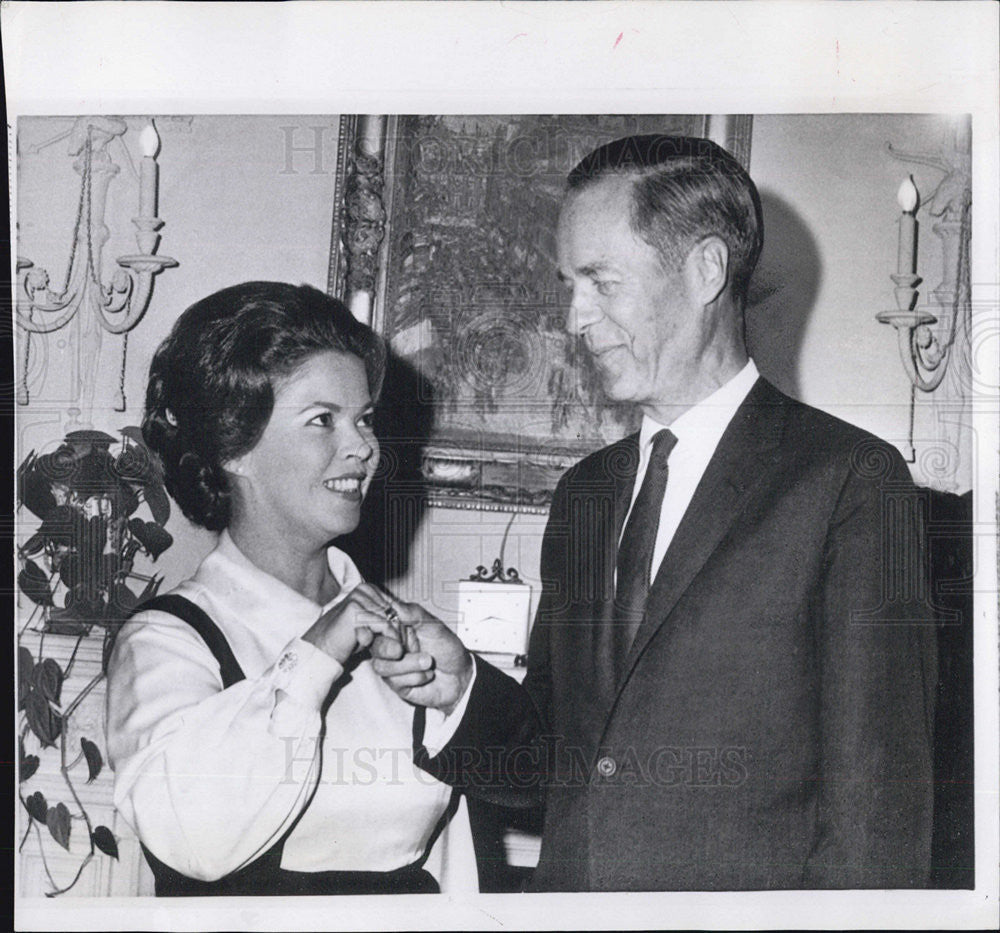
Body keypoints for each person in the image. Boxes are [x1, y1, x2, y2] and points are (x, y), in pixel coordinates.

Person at [370, 135, 938, 891]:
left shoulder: (850, 482)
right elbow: (555, 765)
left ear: (707, 269)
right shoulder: (585, 495)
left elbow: (878, 809)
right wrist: (461, 689)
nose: (573, 316)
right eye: (570, 283)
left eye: (601, 282)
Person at [106, 282, 477, 896]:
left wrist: (459, 689)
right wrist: (315, 659)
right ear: (234, 449)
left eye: (363, 420)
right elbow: (194, 838)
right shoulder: (168, 641)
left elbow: (450, 864)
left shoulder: (406, 632)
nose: (362, 447)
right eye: (322, 420)